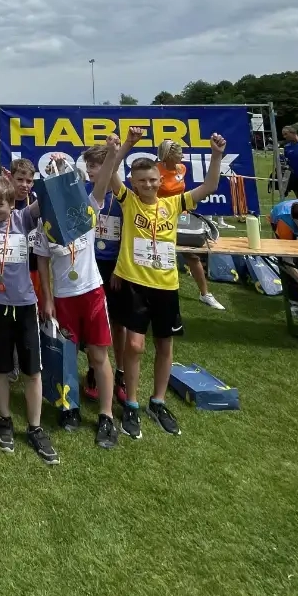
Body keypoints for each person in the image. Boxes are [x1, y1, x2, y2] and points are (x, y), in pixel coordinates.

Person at [108, 127, 227, 440]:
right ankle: (131, 403)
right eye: (142, 181)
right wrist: (126, 145)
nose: (148, 185)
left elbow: (210, 186)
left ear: (160, 180)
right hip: (135, 284)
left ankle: (157, 402)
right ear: (134, 182)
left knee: (165, 345)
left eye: (152, 180)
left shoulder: (173, 204)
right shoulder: (128, 201)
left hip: (166, 286)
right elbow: (109, 175)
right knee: (135, 345)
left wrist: (216, 156)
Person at [0, 134, 59, 465]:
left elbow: (46, 198)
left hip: (24, 305)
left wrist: (55, 171)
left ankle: (35, 426)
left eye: (1, 204)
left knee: (32, 369)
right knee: (0, 366)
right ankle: (5, 418)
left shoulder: (22, 219)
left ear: (11, 204)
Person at [35, 136, 122, 450]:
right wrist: (47, 299)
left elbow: (103, 181)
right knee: (67, 357)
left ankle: (106, 415)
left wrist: (112, 153)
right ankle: (68, 406)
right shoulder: (45, 222)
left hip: (92, 293)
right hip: (64, 298)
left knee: (98, 356)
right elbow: (42, 262)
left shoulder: (87, 207)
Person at [81, 143, 126, 405]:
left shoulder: (122, 196)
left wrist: (120, 267)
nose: (90, 170)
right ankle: (93, 369)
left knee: (117, 322)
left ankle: (120, 371)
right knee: (93, 319)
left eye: (95, 165)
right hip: (90, 265)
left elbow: (128, 237)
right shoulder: (85, 192)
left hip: (115, 267)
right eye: (88, 165)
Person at [157, 139, 224, 311]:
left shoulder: (182, 168)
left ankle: (205, 294)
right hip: (160, 219)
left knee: (192, 256)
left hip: (182, 218)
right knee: (159, 257)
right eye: (179, 153)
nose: (183, 156)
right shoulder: (156, 171)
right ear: (169, 156)